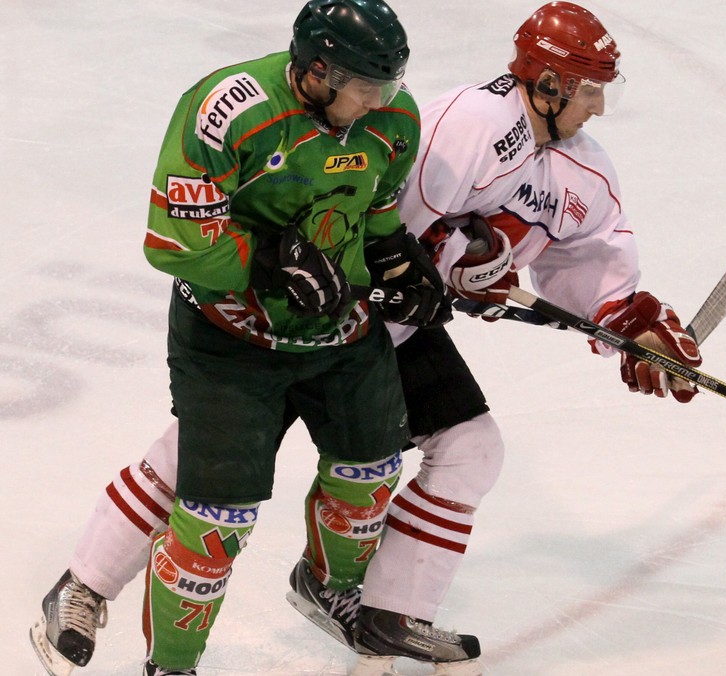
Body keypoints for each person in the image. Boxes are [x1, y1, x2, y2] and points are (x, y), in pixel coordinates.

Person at [30, 1, 702, 672]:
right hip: (298, 320)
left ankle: (373, 607)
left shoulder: (562, 164)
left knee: (450, 453)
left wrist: (633, 325)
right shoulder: (466, 127)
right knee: (210, 479)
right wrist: (398, 272)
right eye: (589, 90)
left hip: (376, 330)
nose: (599, 109)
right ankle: (88, 587)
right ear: (550, 83)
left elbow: (564, 256)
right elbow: (357, 221)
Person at [29, 1, 448, 674]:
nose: (378, 104)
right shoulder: (230, 111)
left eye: (387, 87)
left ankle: (332, 589)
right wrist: (265, 264)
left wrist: (397, 257)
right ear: (316, 72)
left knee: (368, 476)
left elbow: (373, 210)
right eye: (364, 88)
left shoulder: (392, 119)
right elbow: (173, 243)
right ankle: (172, 665)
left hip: (339, 334)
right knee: (215, 525)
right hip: (230, 338)